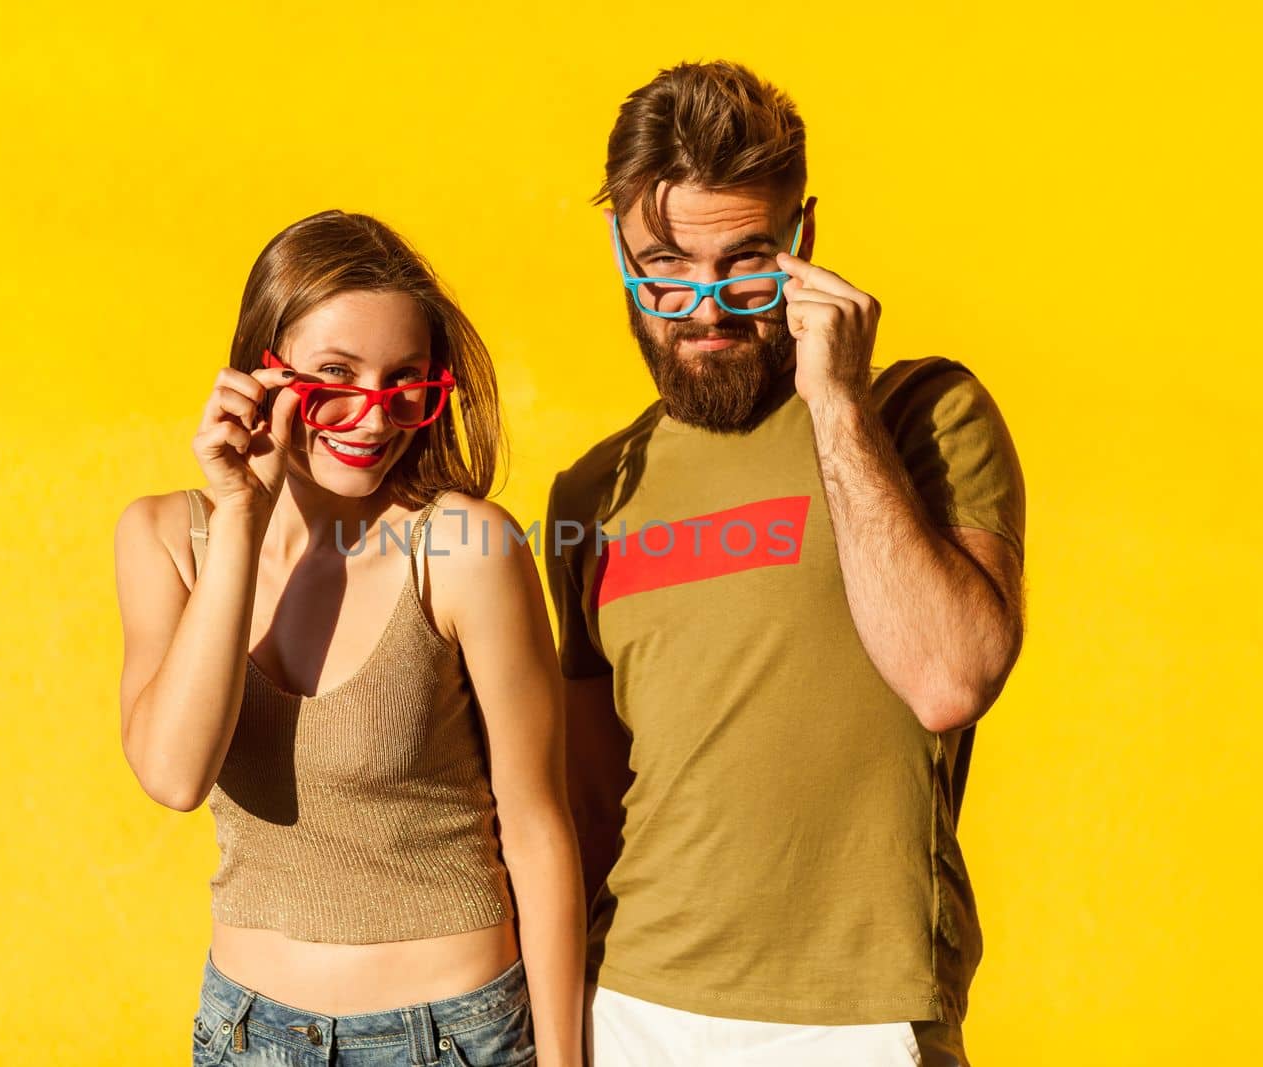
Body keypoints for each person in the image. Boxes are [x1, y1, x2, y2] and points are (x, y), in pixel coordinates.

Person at [545, 62, 1027, 1066]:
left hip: (855, 1014)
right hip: (631, 1002)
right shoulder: (591, 492)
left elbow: (950, 677)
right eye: (665, 266)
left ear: (803, 239)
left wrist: (838, 404)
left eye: (747, 260)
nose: (707, 306)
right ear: (616, 248)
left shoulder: (923, 413)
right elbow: (591, 804)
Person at [114, 210, 585, 1067]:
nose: (374, 418)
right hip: (246, 1033)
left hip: (452, 1036)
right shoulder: (161, 538)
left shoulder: (466, 548)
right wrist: (240, 519)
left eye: (405, 379)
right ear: (263, 372)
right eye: (335, 375)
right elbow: (174, 773)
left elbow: (537, 827)